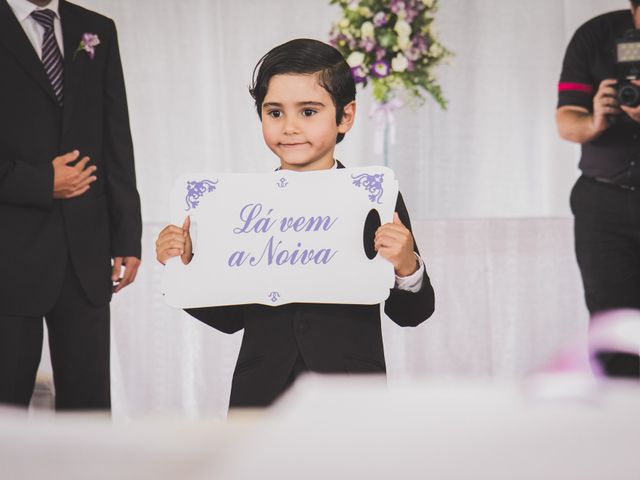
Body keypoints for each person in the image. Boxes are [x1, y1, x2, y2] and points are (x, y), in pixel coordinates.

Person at [155, 38, 435, 408]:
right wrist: (185, 264)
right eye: (274, 113)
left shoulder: (374, 198)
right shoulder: (241, 207)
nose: (289, 127)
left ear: (345, 117)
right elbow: (229, 318)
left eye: (308, 111)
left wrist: (406, 266)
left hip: (349, 391)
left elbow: (412, 313)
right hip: (261, 391)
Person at [0, 0, 142, 410]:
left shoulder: (95, 28)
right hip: (9, 254)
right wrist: (43, 182)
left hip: (86, 248)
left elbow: (116, 135)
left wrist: (126, 235)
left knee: (89, 402)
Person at [556, 2, 640, 377]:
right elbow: (566, 122)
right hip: (603, 205)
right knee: (613, 331)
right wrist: (595, 120)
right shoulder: (594, 37)